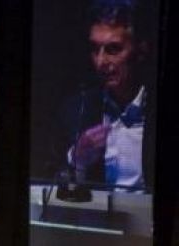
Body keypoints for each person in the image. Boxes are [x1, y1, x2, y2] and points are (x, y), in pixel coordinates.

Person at [51, 0, 153, 191]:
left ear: (140, 50)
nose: (100, 62)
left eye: (113, 49)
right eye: (95, 49)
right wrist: (77, 159)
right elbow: (51, 189)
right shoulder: (77, 110)